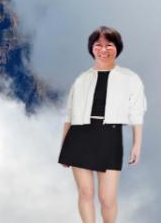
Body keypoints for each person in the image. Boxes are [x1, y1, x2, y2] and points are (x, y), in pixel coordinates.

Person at [58, 26, 147, 223]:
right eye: (98, 45)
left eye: (109, 45)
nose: (103, 49)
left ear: (117, 48)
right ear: (91, 48)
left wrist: (136, 144)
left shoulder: (130, 78)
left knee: (107, 199)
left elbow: (137, 112)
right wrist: (64, 147)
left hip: (110, 135)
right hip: (79, 135)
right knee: (85, 193)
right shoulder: (82, 79)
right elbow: (69, 116)